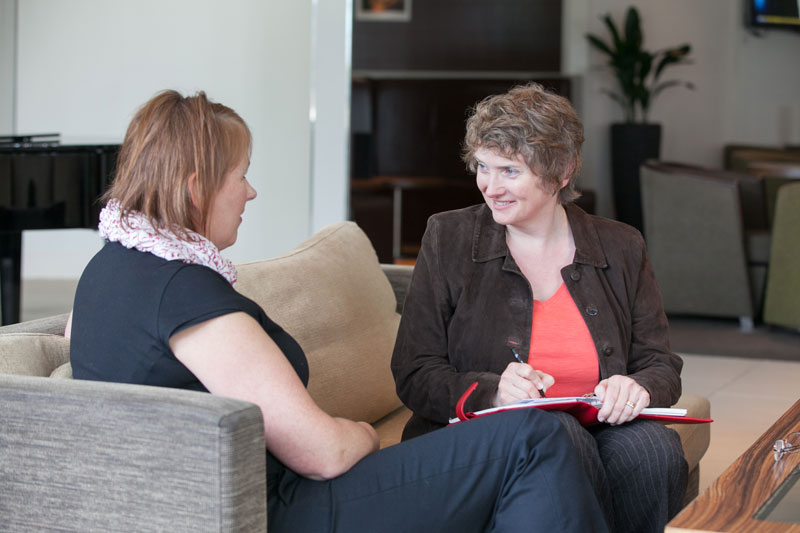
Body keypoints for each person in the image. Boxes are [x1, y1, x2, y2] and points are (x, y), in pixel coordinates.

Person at [66, 90, 608, 532]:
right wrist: (366, 435)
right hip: (284, 511)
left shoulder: (106, 270)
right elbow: (322, 454)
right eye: (240, 175)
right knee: (535, 439)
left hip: (228, 499)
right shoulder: (187, 298)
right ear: (194, 189)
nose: (250, 193)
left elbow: (85, 344)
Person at [391, 82, 688, 533]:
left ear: (562, 171)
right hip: (483, 440)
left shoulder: (621, 245)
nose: (490, 187)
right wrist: (492, 392)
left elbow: (660, 364)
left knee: (656, 451)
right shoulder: (447, 237)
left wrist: (638, 388)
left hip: (599, 428)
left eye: (509, 171)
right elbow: (414, 371)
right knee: (559, 438)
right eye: (482, 167)